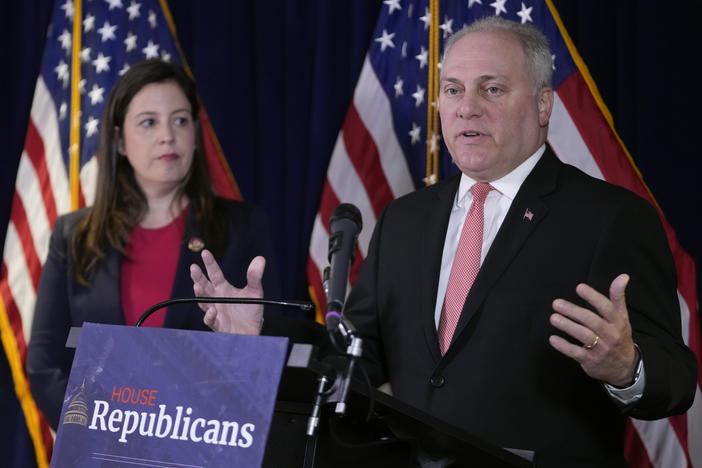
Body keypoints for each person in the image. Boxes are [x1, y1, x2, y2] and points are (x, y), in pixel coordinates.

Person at [191, 17, 697, 466]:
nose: (466, 108)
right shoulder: (404, 220)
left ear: (544, 104)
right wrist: (262, 338)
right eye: (452, 90)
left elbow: (676, 382)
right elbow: (356, 361)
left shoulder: (611, 218)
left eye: (492, 89)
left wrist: (627, 367)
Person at [26, 59, 280, 430]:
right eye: (149, 122)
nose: (168, 135)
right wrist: (104, 434)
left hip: (205, 445)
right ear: (120, 142)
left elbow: (276, 352)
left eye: (180, 120)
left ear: (195, 132)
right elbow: (45, 365)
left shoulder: (243, 228)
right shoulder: (74, 235)